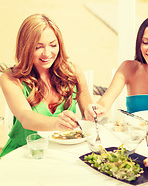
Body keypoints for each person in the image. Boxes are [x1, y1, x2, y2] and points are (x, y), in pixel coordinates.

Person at [0, 14, 93, 158]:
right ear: (25, 48)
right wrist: (57, 123)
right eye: (38, 47)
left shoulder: (73, 72)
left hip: (62, 155)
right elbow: (25, 118)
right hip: (23, 155)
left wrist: (94, 113)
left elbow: (89, 113)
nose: (47, 53)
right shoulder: (10, 78)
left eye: (53, 45)